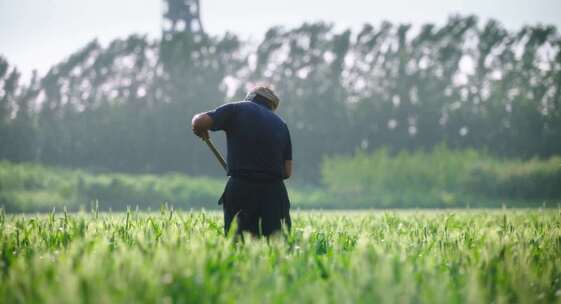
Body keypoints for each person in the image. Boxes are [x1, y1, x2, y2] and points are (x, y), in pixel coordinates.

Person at [191, 86, 292, 237]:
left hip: (242, 189)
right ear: (272, 105)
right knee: (276, 249)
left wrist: (199, 128)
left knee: (239, 247)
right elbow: (287, 171)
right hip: (274, 193)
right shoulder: (281, 124)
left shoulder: (237, 109)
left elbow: (199, 122)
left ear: (250, 97)